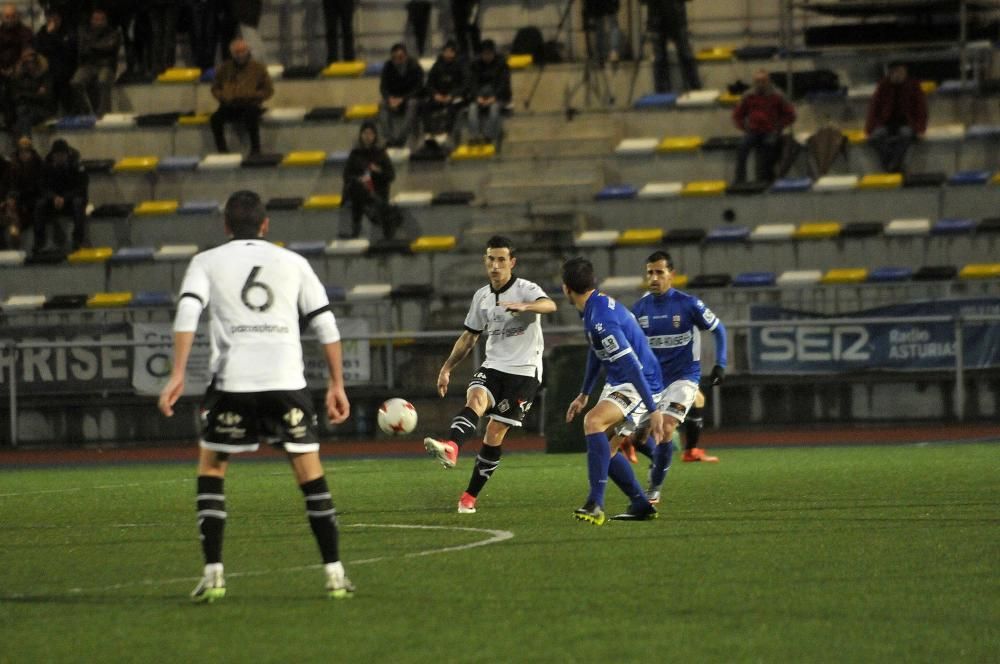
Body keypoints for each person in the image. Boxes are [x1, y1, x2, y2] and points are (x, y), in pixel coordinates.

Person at [157, 190, 355, 602]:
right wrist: (337, 383)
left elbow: (188, 312)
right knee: (310, 476)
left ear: (226, 226)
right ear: (266, 225)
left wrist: (177, 372)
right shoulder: (294, 263)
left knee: (212, 470)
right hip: (286, 384)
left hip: (233, 385)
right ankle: (335, 573)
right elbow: (325, 324)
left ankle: (213, 574)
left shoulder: (205, 262)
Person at [423, 236, 557, 514]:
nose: (495, 266)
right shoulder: (481, 296)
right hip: (494, 365)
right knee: (475, 399)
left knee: (494, 432)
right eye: (491, 259)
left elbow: (550, 305)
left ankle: (469, 496)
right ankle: (452, 446)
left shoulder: (525, 289)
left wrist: (527, 307)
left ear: (512, 262)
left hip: (524, 371)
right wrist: (447, 368)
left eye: (501, 260)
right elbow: (468, 338)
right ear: (486, 262)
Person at [562, 257, 666, 525]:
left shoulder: (600, 319)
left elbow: (632, 365)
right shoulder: (593, 308)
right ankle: (640, 504)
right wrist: (584, 393)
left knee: (593, 422)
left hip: (640, 379)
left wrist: (653, 410)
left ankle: (596, 503)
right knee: (603, 449)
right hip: (625, 378)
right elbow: (597, 352)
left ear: (565, 289)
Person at [618, 251, 727, 504]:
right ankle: (660, 460)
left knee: (666, 427)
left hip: (683, 378)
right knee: (636, 436)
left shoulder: (688, 304)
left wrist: (720, 364)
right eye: (650, 273)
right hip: (652, 382)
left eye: (659, 272)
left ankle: (654, 488)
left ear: (672, 275)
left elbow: (719, 329)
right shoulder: (640, 309)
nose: (654, 278)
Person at [210, 38, 273, 155]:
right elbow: (215, 88)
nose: (240, 55)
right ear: (232, 53)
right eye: (236, 52)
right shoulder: (224, 68)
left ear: (248, 51)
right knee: (215, 119)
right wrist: (223, 96)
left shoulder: (258, 68)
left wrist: (252, 95)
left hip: (250, 104)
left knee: (251, 116)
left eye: (242, 51)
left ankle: (255, 150)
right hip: (229, 105)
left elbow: (268, 90)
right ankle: (222, 150)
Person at [732, 69, 796, 184]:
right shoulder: (748, 95)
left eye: (763, 81)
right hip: (753, 131)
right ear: (754, 82)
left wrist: (779, 126)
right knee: (741, 148)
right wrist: (744, 127)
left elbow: (791, 115)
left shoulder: (778, 95)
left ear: (768, 82)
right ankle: (740, 180)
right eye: (757, 81)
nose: (760, 84)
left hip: (771, 131)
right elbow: (737, 115)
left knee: (769, 147)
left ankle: (766, 179)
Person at [865, 62, 927, 174]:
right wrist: (869, 129)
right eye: (896, 72)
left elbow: (921, 109)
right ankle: (895, 164)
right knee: (875, 137)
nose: (899, 75)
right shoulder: (883, 85)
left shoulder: (913, 85)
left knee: (906, 134)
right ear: (890, 73)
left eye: (901, 72)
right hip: (886, 123)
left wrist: (920, 129)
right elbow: (874, 108)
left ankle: (891, 165)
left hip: (907, 123)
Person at [340, 120, 396, 239]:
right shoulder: (355, 154)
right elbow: (346, 175)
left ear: (375, 136)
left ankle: (362, 223)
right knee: (356, 187)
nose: (368, 136)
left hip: (377, 191)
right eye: (365, 133)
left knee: (362, 195)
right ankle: (362, 221)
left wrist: (378, 171)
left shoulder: (381, 154)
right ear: (361, 135)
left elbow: (391, 175)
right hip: (359, 191)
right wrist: (359, 179)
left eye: (371, 133)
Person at [33, 138, 88, 254]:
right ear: (53, 155)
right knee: (39, 205)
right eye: (57, 155)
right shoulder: (46, 166)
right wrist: (53, 197)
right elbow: (41, 186)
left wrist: (65, 198)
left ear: (67, 155)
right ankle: (39, 241)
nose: (60, 158)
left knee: (78, 203)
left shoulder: (76, 165)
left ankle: (78, 240)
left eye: (62, 155)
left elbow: (81, 187)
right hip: (53, 200)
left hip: (70, 199)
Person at [71, 8, 122, 116]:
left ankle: (103, 113)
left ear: (106, 21)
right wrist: (97, 46)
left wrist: (92, 46)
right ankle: (86, 111)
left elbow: (109, 47)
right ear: (91, 20)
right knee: (76, 82)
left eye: (101, 19)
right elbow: (83, 50)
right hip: (88, 65)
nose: (98, 22)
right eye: (96, 19)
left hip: (106, 65)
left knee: (103, 80)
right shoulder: (84, 32)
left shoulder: (114, 33)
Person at [646, 0, 702, 93]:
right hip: (659, 19)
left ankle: (695, 87)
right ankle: (662, 91)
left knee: (685, 55)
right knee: (660, 58)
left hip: (674, 18)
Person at [422, 40, 467, 148]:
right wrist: (435, 94)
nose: (448, 54)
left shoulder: (461, 66)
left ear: (454, 53)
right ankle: (428, 133)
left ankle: (446, 132)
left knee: (452, 107)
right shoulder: (437, 65)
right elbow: (429, 84)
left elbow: (465, 84)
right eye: (446, 51)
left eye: (450, 52)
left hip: (454, 97)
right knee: (425, 106)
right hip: (439, 96)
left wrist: (451, 95)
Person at [378, 43, 424, 148]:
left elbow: (419, 88)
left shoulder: (415, 66)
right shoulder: (388, 66)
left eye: (400, 57)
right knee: (382, 105)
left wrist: (402, 99)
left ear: (406, 56)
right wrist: (389, 98)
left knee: (413, 104)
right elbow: (383, 87)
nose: (397, 61)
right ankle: (389, 139)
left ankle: (401, 139)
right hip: (394, 99)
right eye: (394, 58)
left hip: (410, 99)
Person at [466, 39, 511, 146]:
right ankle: (474, 136)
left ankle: (488, 136)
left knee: (494, 109)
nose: (487, 57)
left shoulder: (502, 65)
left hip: (498, 96)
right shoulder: (475, 65)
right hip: (481, 96)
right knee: (472, 109)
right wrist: (477, 97)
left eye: (489, 54)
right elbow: (472, 83)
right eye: (484, 54)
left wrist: (494, 97)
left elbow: (504, 84)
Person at [34, 9, 78, 114]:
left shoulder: (68, 31)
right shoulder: (43, 31)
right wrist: (49, 35)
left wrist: (52, 35)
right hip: (48, 68)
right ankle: (50, 114)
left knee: (61, 80)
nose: (53, 21)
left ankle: (69, 113)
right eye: (50, 18)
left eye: (55, 18)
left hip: (66, 67)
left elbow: (67, 49)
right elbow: (40, 49)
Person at [9, 48, 56, 140]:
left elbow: (45, 97)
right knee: (22, 118)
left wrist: (25, 95)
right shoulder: (20, 77)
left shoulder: (45, 76)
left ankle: (24, 149)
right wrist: (33, 94)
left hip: (42, 109)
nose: (29, 65)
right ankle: (25, 148)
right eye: (26, 62)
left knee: (23, 120)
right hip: (23, 109)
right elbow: (14, 95)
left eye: (32, 61)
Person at [583, 0, 622, 65]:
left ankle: (601, 55)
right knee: (613, 24)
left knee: (600, 27)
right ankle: (614, 52)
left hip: (598, 3)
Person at [0, 4, 33, 74]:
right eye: (7, 17)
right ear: (2, 18)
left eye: (13, 16)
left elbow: (27, 52)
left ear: (17, 16)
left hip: (19, 72)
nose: (10, 19)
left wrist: (15, 68)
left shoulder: (26, 32)